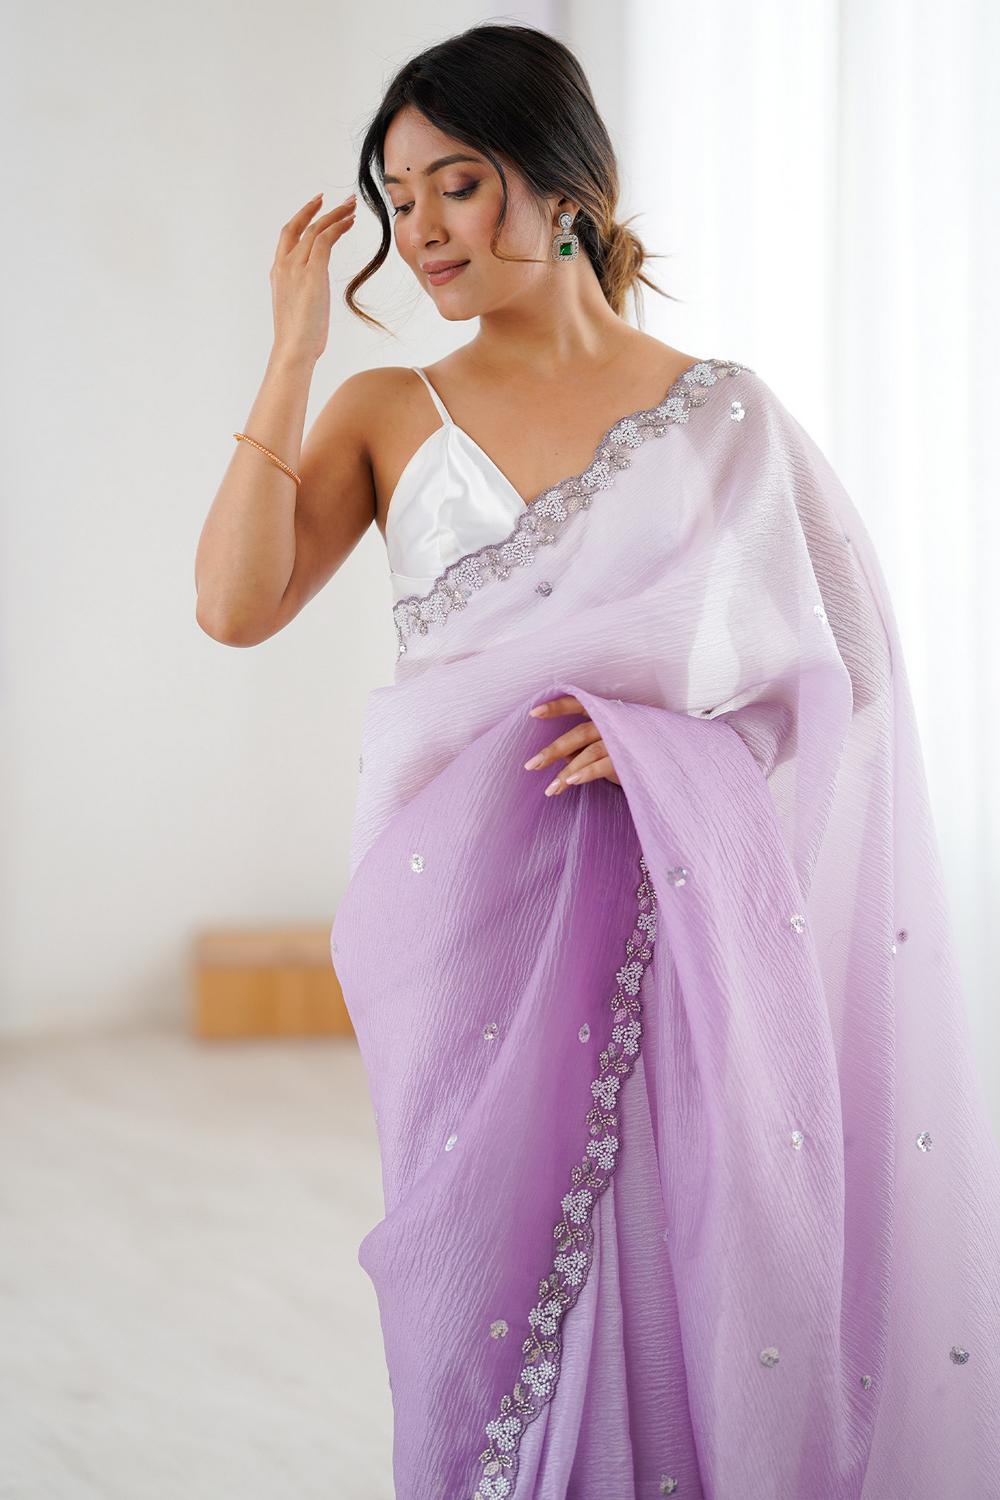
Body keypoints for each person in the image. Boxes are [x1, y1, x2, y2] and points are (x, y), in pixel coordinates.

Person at [194, 22, 1000, 1500]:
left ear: (566, 186)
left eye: (456, 184)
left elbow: (845, 677)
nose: (420, 230)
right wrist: (294, 354)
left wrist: (673, 755)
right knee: (474, 1278)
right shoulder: (387, 410)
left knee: (688, 1247)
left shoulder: (727, 417)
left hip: (673, 914)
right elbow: (233, 608)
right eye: (397, 197)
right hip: (462, 918)